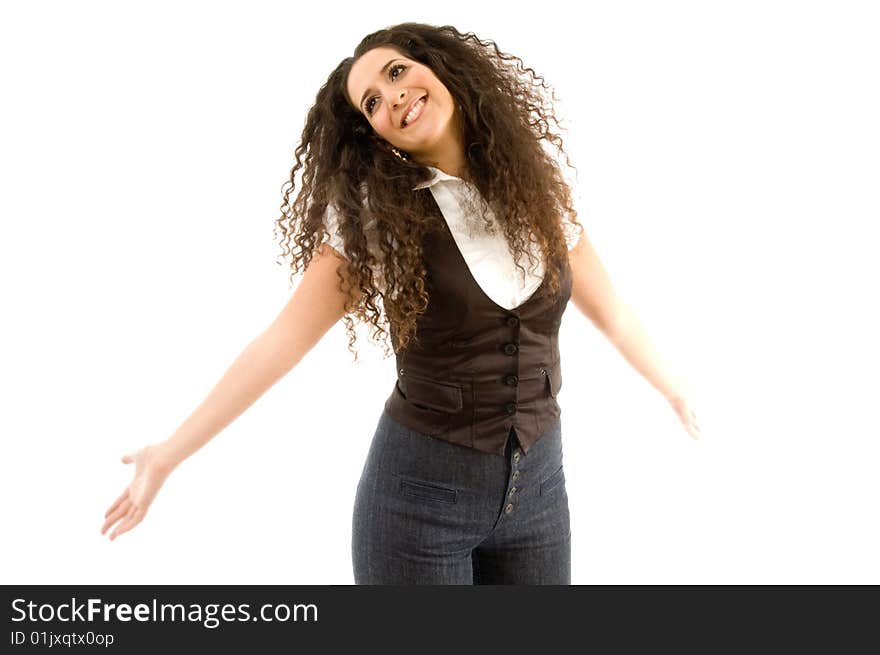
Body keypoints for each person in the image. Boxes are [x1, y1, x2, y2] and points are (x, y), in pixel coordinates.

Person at [101, 23, 701, 584]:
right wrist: (169, 453)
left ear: (438, 68)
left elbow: (613, 311)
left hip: (541, 495)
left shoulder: (536, 183)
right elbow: (282, 341)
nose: (392, 99)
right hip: (416, 505)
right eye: (370, 103)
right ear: (374, 132)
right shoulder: (375, 217)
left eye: (394, 73)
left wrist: (674, 387)